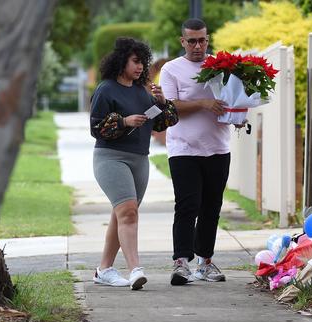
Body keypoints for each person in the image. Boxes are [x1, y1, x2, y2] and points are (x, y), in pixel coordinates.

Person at [90, 37, 178, 290]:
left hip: (140, 159)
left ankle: (103, 269)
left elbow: (164, 123)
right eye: (135, 62)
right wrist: (124, 121)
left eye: (143, 62)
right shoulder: (105, 89)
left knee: (123, 215)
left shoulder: (143, 91)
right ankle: (135, 269)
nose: (140, 67)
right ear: (122, 61)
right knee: (128, 212)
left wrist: (161, 103)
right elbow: (96, 128)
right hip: (110, 157)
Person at [158, 18, 234, 285]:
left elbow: (233, 99)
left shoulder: (221, 67)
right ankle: (181, 263)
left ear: (207, 39)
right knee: (188, 205)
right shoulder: (171, 69)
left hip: (217, 147)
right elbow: (170, 106)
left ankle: (205, 262)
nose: (198, 45)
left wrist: (238, 114)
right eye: (192, 41)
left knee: (212, 206)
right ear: (183, 42)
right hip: (183, 149)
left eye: (202, 40)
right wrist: (203, 102)